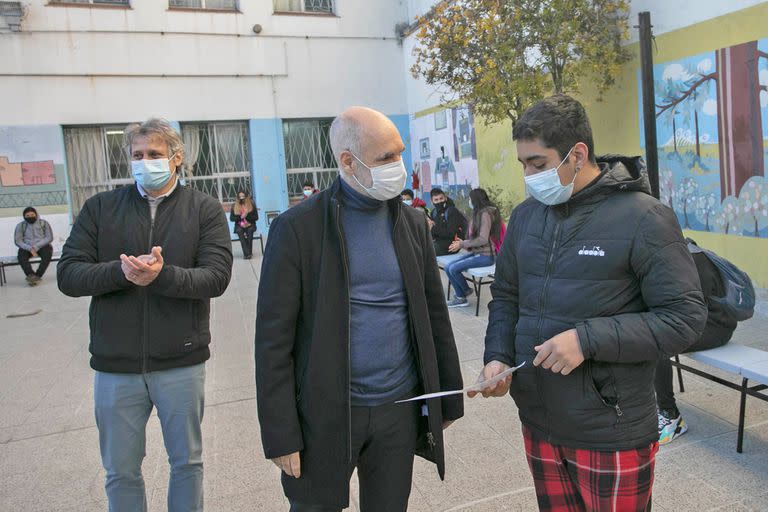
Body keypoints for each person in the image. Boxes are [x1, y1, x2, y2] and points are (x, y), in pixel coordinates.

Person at [471, 95, 707, 511]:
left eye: (538, 164)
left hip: (610, 429)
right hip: (540, 421)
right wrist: (497, 356)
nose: (528, 175)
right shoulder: (527, 217)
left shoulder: (644, 217)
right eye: (523, 164)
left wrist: (587, 339)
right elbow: (506, 295)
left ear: (577, 154)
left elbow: (685, 319)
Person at [255, 106, 464, 512]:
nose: (398, 167)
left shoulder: (412, 224)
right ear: (348, 161)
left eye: (400, 153)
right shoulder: (298, 230)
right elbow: (272, 341)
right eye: (386, 157)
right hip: (326, 412)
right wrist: (281, 433)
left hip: (397, 411)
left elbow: (433, 316)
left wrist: (447, 397)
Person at [57, 118, 233, 512]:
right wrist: (120, 272)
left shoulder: (203, 209)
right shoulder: (100, 208)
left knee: (186, 463)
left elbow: (216, 276)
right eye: (137, 155)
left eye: (154, 154)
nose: (145, 162)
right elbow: (67, 274)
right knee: (120, 470)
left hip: (181, 361)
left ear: (176, 159)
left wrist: (161, 276)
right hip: (115, 365)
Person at [655, 244, 739, 444]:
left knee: (657, 343)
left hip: (716, 328)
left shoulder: (687, 259)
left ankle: (671, 415)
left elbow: (687, 309)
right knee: (650, 335)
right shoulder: (681, 250)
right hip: (703, 322)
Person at [444, 188, 501, 308]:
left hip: (486, 256)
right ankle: (463, 294)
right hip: (478, 252)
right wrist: (463, 242)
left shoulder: (485, 214)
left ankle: (463, 294)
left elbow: (483, 239)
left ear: (475, 200)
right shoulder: (479, 213)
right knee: (448, 267)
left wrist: (462, 244)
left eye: (470, 199)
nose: (469, 201)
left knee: (453, 268)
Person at [14, 206, 54, 286]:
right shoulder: (21, 226)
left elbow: (49, 237)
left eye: (32, 215)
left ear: (36, 214)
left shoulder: (44, 223)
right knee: (21, 257)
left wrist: (35, 247)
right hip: (27, 247)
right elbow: (18, 241)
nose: (30, 217)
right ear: (24, 217)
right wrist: (29, 248)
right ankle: (31, 275)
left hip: (42, 245)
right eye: (27, 216)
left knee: (47, 255)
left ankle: (38, 275)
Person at [428, 187, 467, 256]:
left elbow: (451, 233)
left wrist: (433, 229)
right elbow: (433, 233)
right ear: (432, 201)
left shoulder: (452, 211)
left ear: (445, 198)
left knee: (427, 251)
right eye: (436, 200)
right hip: (438, 242)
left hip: (453, 244)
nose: (439, 201)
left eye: (441, 198)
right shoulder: (434, 212)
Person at [231, 190, 259, 259]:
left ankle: (248, 253)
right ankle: (247, 253)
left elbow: (256, 217)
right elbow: (232, 218)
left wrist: (246, 215)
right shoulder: (234, 205)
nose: (241, 198)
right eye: (240, 196)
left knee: (250, 230)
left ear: (246, 197)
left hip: (250, 224)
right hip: (239, 225)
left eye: (243, 196)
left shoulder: (251, 204)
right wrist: (240, 217)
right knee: (239, 231)